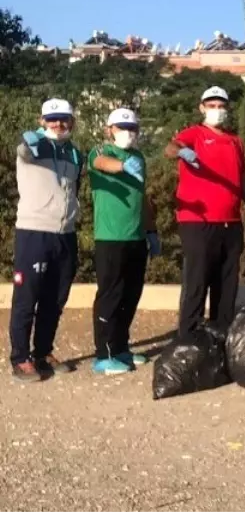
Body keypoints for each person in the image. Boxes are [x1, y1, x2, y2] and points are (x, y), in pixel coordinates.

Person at [164, 86, 245, 336]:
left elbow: (243, 178)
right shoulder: (195, 133)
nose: (216, 110)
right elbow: (171, 147)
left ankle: (221, 332)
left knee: (227, 282)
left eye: (221, 106)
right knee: (197, 281)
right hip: (198, 222)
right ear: (202, 108)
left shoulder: (235, 141)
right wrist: (182, 152)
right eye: (211, 105)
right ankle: (188, 335)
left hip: (231, 222)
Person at [9, 99, 84, 382]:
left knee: (55, 299)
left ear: (71, 122)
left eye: (64, 119)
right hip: (34, 232)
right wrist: (33, 139)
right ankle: (20, 357)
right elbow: (24, 151)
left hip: (66, 233)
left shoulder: (74, 153)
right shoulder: (31, 146)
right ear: (42, 121)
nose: (58, 124)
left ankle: (42, 352)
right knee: (27, 298)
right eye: (52, 120)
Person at [88, 108, 159, 375]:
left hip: (136, 237)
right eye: (121, 128)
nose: (128, 133)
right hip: (110, 237)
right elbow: (100, 164)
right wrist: (122, 166)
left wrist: (151, 231)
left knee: (131, 295)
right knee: (110, 295)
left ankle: (120, 347)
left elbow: (141, 198)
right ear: (110, 130)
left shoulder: (138, 156)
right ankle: (103, 354)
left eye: (132, 129)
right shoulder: (101, 151)